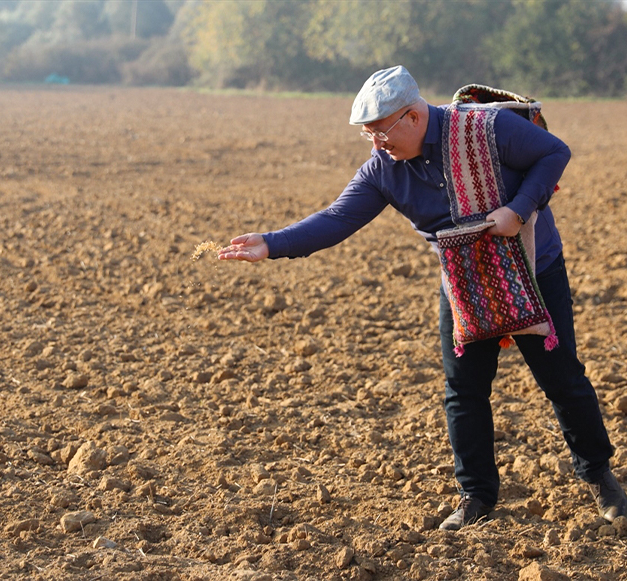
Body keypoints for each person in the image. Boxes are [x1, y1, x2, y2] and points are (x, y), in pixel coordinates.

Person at [217, 65, 627, 530]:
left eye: (381, 131)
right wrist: (271, 243)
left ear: (413, 116)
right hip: (464, 281)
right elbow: (336, 219)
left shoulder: (487, 127)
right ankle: (476, 496)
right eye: (367, 134)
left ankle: (599, 476)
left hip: (533, 268)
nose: (376, 143)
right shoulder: (383, 171)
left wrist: (519, 208)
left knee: (563, 380)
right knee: (465, 390)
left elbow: (554, 152)